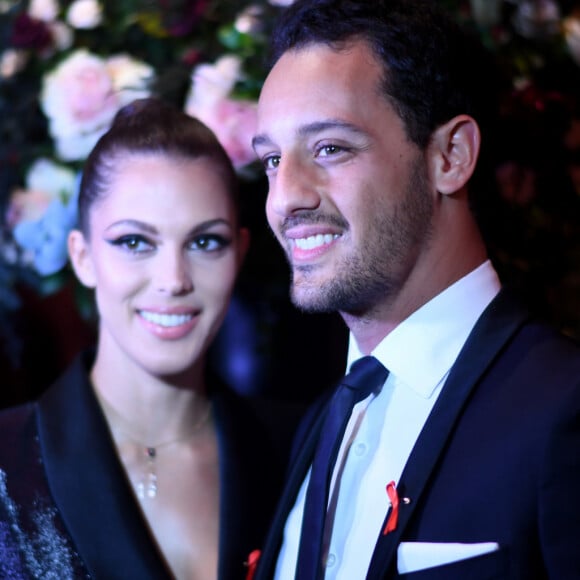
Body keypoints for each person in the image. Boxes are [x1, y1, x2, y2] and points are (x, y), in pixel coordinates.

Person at [249, 0, 580, 578]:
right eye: (273, 160)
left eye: (330, 148)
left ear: (450, 156)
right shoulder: (323, 420)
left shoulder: (564, 406)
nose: (285, 198)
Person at [0, 97, 292, 579]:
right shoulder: (8, 464)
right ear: (83, 256)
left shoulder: (299, 450)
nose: (173, 279)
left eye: (205, 242)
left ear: (239, 253)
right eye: (134, 242)